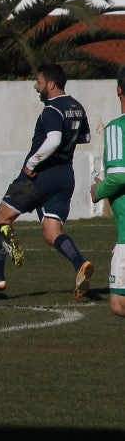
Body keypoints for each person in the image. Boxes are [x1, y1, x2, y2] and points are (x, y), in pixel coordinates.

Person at [0, 63, 93, 298]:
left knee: (1, 218)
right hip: (65, 176)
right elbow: (85, 136)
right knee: (51, 232)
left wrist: (32, 163)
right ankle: (80, 264)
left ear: (51, 83)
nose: (35, 87)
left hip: (40, 176)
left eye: (38, 81)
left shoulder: (51, 109)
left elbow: (54, 139)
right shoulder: (76, 106)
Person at [91, 66, 125, 316]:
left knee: (119, 304)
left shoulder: (117, 128)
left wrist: (98, 190)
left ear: (118, 90)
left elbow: (119, 176)